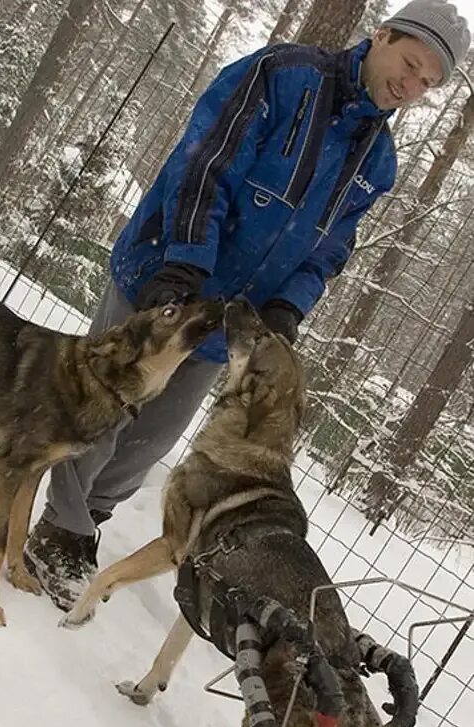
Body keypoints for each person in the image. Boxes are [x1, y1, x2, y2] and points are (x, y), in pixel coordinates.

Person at [25, 0, 470, 611]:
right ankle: (59, 532)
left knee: (152, 437)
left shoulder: (379, 160)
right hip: (166, 278)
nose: (412, 85)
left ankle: (87, 519)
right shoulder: (284, 76)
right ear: (382, 35)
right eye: (412, 63)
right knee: (102, 409)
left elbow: (332, 245)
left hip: (227, 320)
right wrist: (184, 260)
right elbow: (204, 163)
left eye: (429, 83)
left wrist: (289, 306)